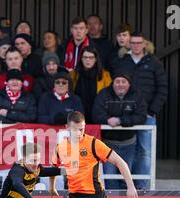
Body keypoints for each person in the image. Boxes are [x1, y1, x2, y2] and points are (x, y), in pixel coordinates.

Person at [117, 32, 168, 189]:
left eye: (139, 43)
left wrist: (151, 110)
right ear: (129, 44)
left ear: (145, 44)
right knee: (126, 151)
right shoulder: (123, 62)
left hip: (147, 116)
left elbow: (162, 88)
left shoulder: (154, 62)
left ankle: (143, 188)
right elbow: (117, 85)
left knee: (145, 151)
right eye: (133, 42)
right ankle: (128, 186)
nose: (136, 45)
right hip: (126, 114)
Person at [92, 72, 147, 189]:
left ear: (129, 84)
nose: (120, 85)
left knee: (126, 176)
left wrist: (120, 120)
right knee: (109, 177)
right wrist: (107, 120)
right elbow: (96, 114)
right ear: (113, 83)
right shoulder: (104, 94)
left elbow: (141, 116)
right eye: (117, 81)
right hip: (108, 144)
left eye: (123, 82)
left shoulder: (136, 95)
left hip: (129, 144)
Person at [72, 46, 111, 123]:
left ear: (96, 59)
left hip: (98, 115)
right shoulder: (73, 75)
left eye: (91, 57)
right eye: (85, 57)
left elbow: (109, 97)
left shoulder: (105, 76)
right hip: (77, 116)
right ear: (81, 59)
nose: (88, 60)